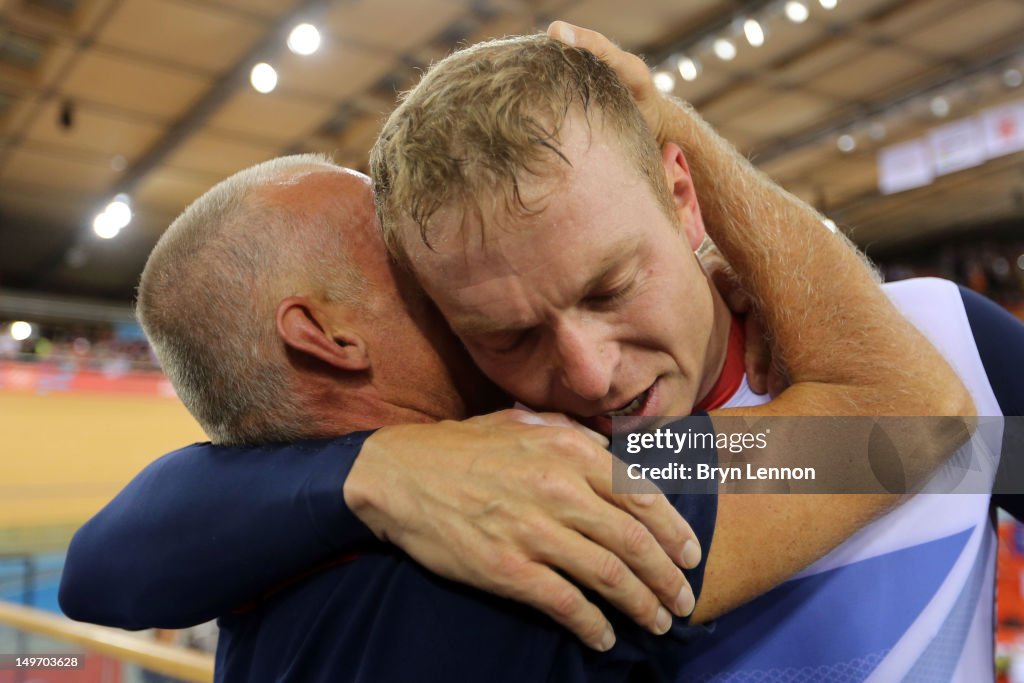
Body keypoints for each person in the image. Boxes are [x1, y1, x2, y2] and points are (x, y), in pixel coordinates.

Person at [59, 28, 1005, 681]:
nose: (588, 374)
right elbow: (896, 422)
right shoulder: (562, 488)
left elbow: (100, 564)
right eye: (495, 329)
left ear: (678, 201)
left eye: (609, 286)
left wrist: (362, 471)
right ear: (326, 338)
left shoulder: (257, 562)